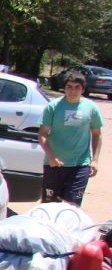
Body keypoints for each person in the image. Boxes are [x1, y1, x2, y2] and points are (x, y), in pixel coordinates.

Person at [38, 70, 103, 206]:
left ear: (83, 89)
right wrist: (51, 156)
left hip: (80, 165)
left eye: (77, 87)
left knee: (72, 207)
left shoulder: (91, 108)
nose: (72, 91)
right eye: (69, 87)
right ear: (64, 88)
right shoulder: (53, 107)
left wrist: (95, 160)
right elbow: (43, 134)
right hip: (54, 165)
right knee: (50, 207)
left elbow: (97, 134)